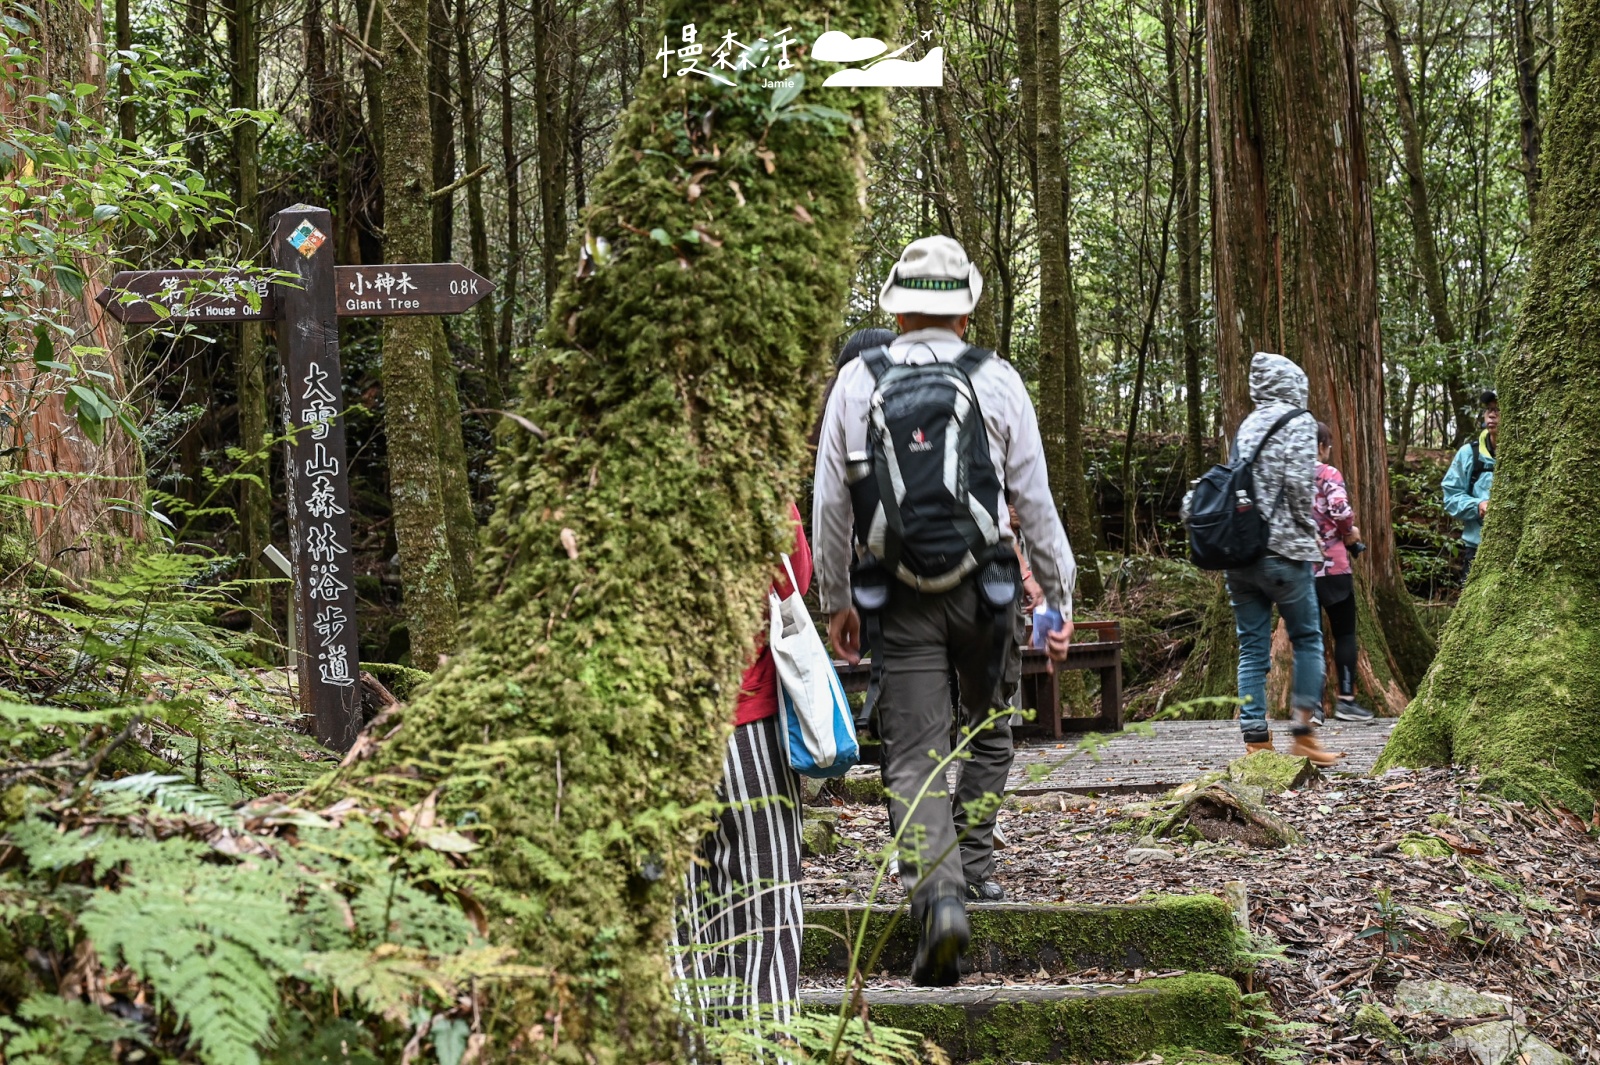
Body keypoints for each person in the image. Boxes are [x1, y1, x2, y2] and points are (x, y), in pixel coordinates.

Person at [812, 235, 1076, 986]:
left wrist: (837, 600)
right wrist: (1057, 600)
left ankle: (941, 898)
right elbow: (1035, 501)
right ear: (965, 309)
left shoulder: (856, 383)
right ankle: (975, 856)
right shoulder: (997, 380)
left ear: (896, 308)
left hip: (895, 595)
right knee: (992, 722)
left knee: (913, 753)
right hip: (988, 589)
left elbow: (831, 503)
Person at [672, 504, 809, 1025]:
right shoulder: (753, 465)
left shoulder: (608, 466)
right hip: (749, 718)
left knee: (675, 922)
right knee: (765, 910)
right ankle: (762, 1048)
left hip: (657, 732)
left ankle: (684, 1047)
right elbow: (795, 574)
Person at [1205, 352, 1342, 767]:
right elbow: (1301, 487)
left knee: (1251, 646)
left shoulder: (1248, 423)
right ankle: (1303, 733)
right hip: (1285, 550)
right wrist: (1309, 530)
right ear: (1294, 386)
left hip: (1239, 553)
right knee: (1307, 639)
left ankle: (1255, 741)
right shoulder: (1299, 422)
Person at [1312, 421, 1376, 725]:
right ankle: (1346, 700)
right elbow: (1339, 510)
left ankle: (1311, 704)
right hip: (1333, 566)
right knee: (1345, 633)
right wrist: (1349, 531)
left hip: (1300, 568)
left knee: (1308, 636)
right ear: (1323, 446)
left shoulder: (1286, 476)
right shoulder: (1327, 473)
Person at [1441, 390, 1498, 585]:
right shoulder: (1469, 454)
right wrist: (1478, 505)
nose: (1492, 414)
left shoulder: (1528, 453)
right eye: (1489, 410)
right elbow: (1451, 496)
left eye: (1499, 409)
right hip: (1477, 549)